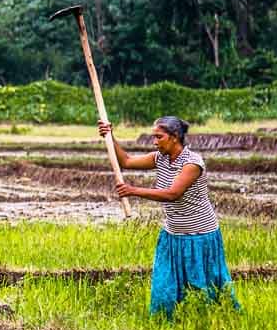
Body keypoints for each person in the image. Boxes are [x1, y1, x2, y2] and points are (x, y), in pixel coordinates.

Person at [97, 116, 237, 317]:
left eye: (159, 137)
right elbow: (126, 161)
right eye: (154, 137)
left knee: (201, 285)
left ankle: (206, 319)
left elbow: (173, 194)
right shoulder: (160, 158)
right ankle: (166, 319)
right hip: (172, 234)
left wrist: (133, 190)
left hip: (198, 235)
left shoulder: (192, 163)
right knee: (165, 282)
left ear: (175, 137)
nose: (155, 141)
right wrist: (110, 136)